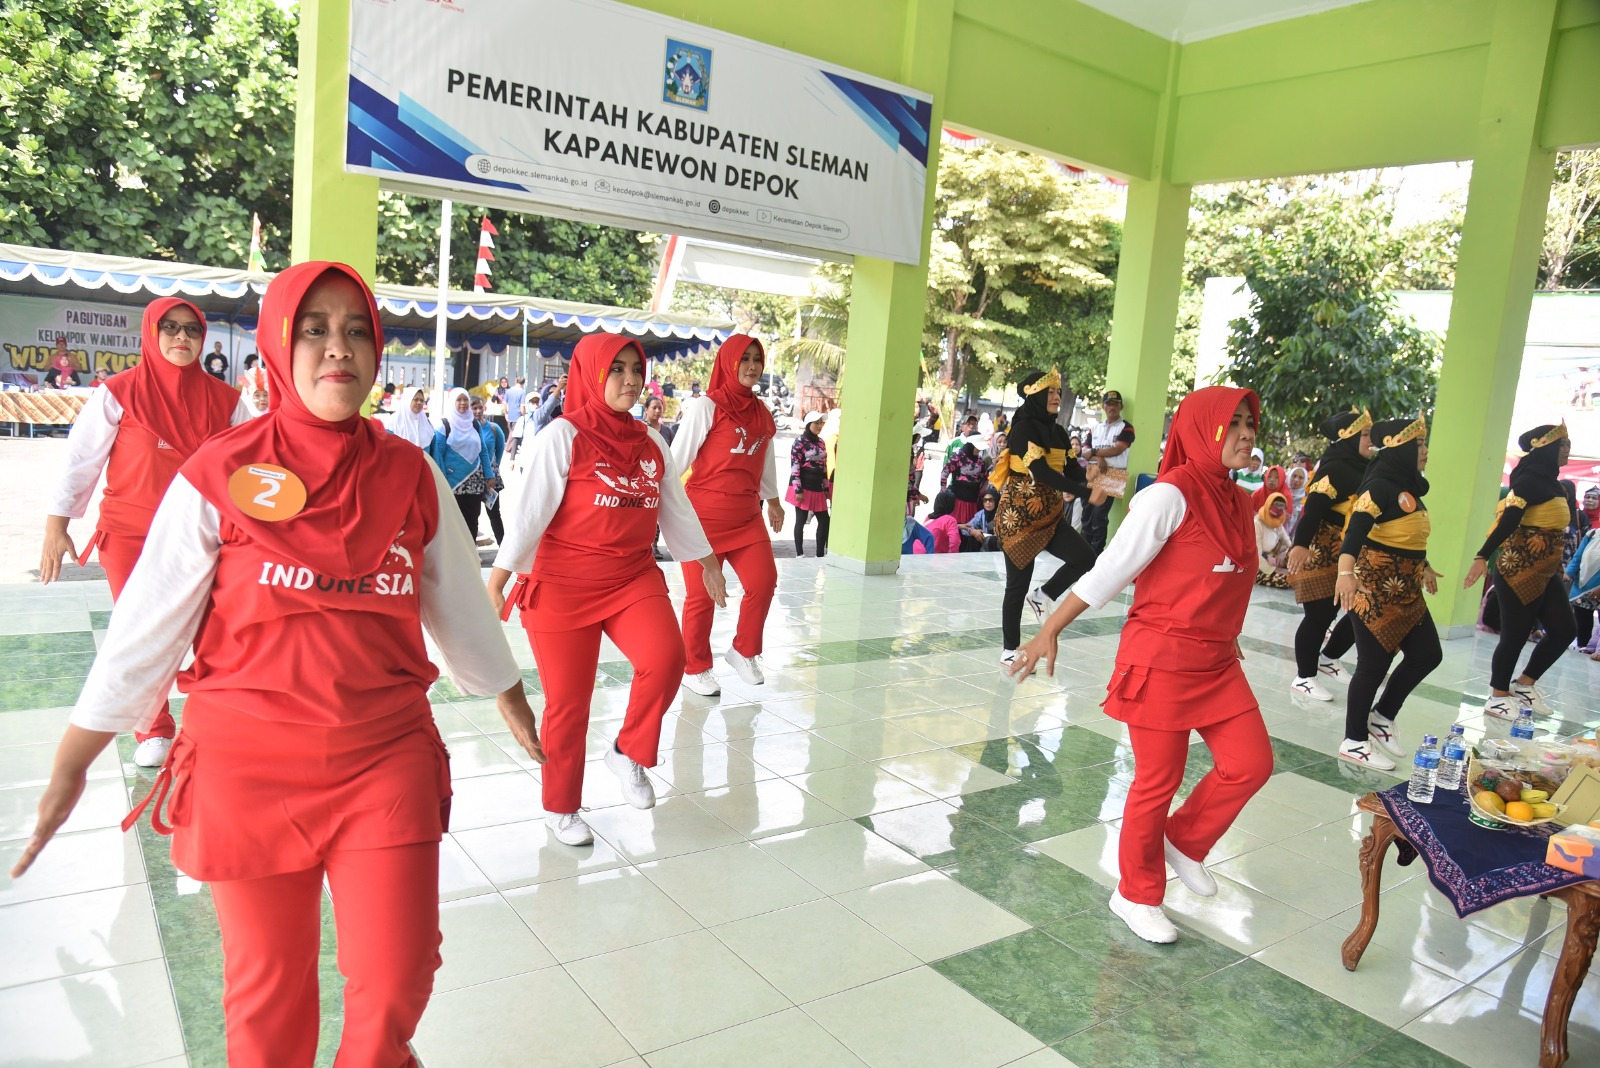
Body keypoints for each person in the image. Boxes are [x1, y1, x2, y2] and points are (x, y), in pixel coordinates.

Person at [12, 260, 542, 1066]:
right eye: (314, 330)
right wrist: (72, 760)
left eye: (357, 330)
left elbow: (461, 605)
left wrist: (510, 696)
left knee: (397, 976)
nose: (339, 348)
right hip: (246, 765)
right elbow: (144, 629)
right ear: (277, 348)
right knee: (268, 995)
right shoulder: (218, 472)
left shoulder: (412, 474)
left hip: (383, 756)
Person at [1008, 386, 1274, 944]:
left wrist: (1226, 633)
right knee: (1158, 781)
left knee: (1250, 763)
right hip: (1162, 658)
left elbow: (1224, 577)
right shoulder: (1168, 496)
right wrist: (1049, 629)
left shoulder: (1237, 498)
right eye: (1233, 423)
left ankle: (1184, 841)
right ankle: (1135, 893)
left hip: (1216, 661)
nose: (1246, 433)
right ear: (1203, 430)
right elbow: (1109, 570)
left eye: (1250, 423)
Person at [488, 335, 724, 846]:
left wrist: (709, 564)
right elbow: (527, 517)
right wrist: (497, 582)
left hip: (631, 577)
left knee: (667, 659)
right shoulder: (562, 436)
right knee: (569, 704)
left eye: (636, 369)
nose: (630, 380)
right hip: (562, 585)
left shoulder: (652, 442)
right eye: (616, 369)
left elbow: (677, 511)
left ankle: (627, 751)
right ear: (592, 374)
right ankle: (562, 807)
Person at [40, 297, 249, 767]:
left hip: (206, 539)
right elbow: (80, 460)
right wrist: (57, 525)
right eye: (170, 327)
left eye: (192, 329)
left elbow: (253, 466)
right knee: (141, 633)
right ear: (151, 333)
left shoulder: (228, 401)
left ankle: (215, 722)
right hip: (130, 535)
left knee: (216, 631)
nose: (182, 337)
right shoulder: (118, 392)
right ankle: (153, 729)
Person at [672, 335, 783, 696]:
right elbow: (674, 463)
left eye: (757, 359)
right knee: (701, 597)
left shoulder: (762, 412)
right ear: (729, 363)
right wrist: (656, 509)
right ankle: (695, 668)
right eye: (744, 359)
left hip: (747, 517)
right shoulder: (707, 406)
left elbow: (765, 460)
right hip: (702, 520)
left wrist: (773, 501)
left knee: (764, 582)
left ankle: (744, 650)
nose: (752, 366)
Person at [1334, 414, 1444, 771]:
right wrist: (1345, 573)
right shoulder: (1379, 486)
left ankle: (1381, 717)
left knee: (1428, 654)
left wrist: (1424, 566)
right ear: (1399, 448)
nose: (1425, 451)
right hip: (1374, 590)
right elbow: (1355, 533)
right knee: (1372, 666)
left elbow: (1406, 536)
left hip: (1407, 592)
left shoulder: (1409, 487)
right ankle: (1354, 741)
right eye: (1419, 444)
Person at [1462, 423, 1577, 720]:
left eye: (1568, 444)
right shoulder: (1529, 480)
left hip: (1546, 569)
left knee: (1565, 630)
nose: (1568, 449)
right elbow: (1508, 521)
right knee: (1515, 634)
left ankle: (1524, 684)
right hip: (1519, 569)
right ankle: (1498, 697)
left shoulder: (1551, 482)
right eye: (1563, 444)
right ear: (1548, 447)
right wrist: (1481, 556)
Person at [990, 369, 1097, 668]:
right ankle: (1009, 650)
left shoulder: (1059, 433)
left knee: (1085, 558)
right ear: (1035, 395)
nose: (1056, 397)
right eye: (1050, 392)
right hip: (1019, 518)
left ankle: (1044, 595)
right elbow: (1041, 472)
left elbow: (1073, 471)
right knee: (1016, 586)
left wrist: (1102, 481)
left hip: (1050, 515)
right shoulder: (1022, 429)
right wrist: (1085, 493)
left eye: (1058, 392)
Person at [1285, 409, 1372, 702]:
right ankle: (1304, 677)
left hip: (1348, 554)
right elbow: (1313, 511)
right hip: (1320, 552)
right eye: (1364, 434)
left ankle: (1329, 657)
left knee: (1359, 607)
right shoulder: (1333, 469)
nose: (1370, 440)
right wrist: (1300, 545)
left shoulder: (1365, 469)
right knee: (1318, 616)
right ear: (1347, 438)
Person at [427, 388, 499, 539]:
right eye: (458, 400)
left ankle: (471, 552)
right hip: (453, 484)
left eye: (465, 399)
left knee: (472, 521)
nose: (463, 403)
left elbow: (483, 450)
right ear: (452, 402)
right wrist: (443, 481)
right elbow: (438, 456)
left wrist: (489, 474)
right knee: (453, 523)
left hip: (475, 483)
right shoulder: (443, 425)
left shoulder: (474, 424)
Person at [1081, 389, 1135, 554]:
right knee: (1087, 515)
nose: (1112, 407)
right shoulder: (1095, 428)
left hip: (1112, 473)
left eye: (1115, 404)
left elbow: (1118, 449)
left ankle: (1096, 554)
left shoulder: (1126, 427)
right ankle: (1084, 552)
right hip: (1092, 471)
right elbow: (1084, 452)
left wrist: (1095, 453)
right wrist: (1099, 458)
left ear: (1121, 407)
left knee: (1099, 517)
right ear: (1103, 407)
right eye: (1109, 404)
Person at [787, 409, 831, 557]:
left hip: (817, 486)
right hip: (803, 485)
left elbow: (824, 466)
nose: (819, 426)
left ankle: (820, 554)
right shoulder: (800, 442)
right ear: (808, 424)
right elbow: (795, 466)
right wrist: (798, 489)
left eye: (821, 423)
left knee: (824, 520)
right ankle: (799, 554)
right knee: (801, 520)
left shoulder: (821, 442)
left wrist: (826, 487)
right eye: (816, 423)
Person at [469, 393, 507, 545]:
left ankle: (503, 548)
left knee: (494, 514)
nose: (478, 411)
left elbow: (499, 451)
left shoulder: (493, 429)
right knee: (473, 515)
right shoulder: (466, 429)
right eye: (474, 408)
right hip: (472, 479)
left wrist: (490, 471)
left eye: (480, 408)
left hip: (491, 480)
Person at [941, 438, 989, 524]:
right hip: (958, 499)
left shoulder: (979, 460)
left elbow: (985, 477)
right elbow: (944, 473)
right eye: (977, 447)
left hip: (972, 500)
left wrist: (982, 491)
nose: (979, 450)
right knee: (956, 525)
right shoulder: (959, 456)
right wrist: (943, 490)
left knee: (970, 527)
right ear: (971, 445)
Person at [1253, 492, 1293, 587]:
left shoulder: (1277, 524)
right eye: (1276, 505)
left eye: (1281, 506)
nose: (1278, 508)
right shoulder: (1257, 523)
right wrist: (1277, 570)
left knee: (1297, 566)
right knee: (1287, 580)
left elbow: (1289, 545)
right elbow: (1256, 557)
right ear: (1268, 504)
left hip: (1274, 561)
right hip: (1258, 567)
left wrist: (1283, 554)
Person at [960, 486, 1001, 551]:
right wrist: (973, 532)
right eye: (985, 500)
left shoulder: (1002, 514)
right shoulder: (981, 514)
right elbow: (964, 529)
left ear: (996, 501)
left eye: (990, 500)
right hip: (985, 549)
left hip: (1001, 548)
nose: (987, 503)